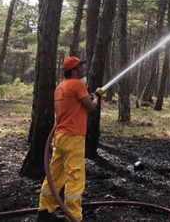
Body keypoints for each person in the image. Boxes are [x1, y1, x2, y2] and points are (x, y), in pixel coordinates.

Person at [37, 56, 98, 222]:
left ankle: (44, 211)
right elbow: (90, 107)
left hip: (60, 136)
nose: (83, 70)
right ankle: (74, 217)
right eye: (80, 67)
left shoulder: (60, 87)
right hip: (74, 136)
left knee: (54, 175)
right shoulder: (77, 85)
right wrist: (96, 99)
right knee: (75, 176)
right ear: (73, 71)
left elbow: (74, 107)